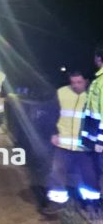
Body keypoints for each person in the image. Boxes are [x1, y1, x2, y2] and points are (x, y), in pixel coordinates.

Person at [44, 70, 97, 212]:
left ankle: (91, 202)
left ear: (86, 81)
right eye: (72, 82)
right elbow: (51, 114)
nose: (75, 85)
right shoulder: (61, 92)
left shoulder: (94, 95)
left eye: (79, 82)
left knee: (88, 175)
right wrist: (53, 133)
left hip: (85, 145)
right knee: (57, 172)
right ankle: (57, 201)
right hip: (63, 142)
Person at [80, 45, 103, 193]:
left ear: (99, 58)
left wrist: (100, 141)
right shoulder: (97, 80)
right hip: (93, 136)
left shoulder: (101, 82)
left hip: (98, 138)